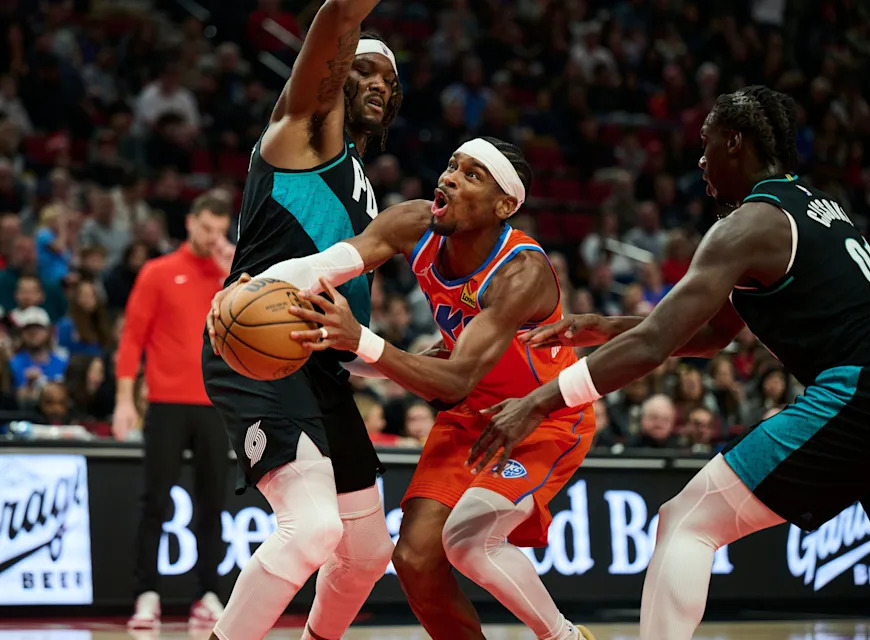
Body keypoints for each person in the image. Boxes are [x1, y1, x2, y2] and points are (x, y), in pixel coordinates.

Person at [470, 86, 870, 640]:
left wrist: (538, 401)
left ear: (734, 141)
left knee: (686, 522)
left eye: (706, 145)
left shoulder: (749, 224)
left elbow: (657, 343)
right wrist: (603, 327)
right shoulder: (821, 207)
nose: (700, 161)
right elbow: (714, 333)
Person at [237, 136, 597, 640]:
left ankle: (563, 636)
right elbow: (324, 266)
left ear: (505, 205)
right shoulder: (415, 222)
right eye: (452, 165)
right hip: (470, 414)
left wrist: (360, 339)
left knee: (470, 541)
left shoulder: (521, 272)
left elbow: (453, 380)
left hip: (541, 416)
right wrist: (251, 289)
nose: (448, 177)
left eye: (472, 175)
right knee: (412, 559)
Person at [199, 2, 402, 638]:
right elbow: (339, 16)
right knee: (312, 527)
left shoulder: (360, 179)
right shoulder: (298, 134)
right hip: (259, 345)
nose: (376, 84)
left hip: (320, 364)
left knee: (368, 553)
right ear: (335, 77)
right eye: (362, 71)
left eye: (388, 81)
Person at [114, 193, 233, 629]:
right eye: (206, 228)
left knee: (212, 504)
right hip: (165, 403)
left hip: (215, 406)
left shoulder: (230, 276)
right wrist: (125, 399)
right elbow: (132, 338)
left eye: (220, 230)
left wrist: (231, 270)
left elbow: (259, 311)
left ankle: (209, 594)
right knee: (155, 501)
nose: (211, 237)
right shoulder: (158, 272)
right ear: (190, 223)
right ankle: (147, 594)